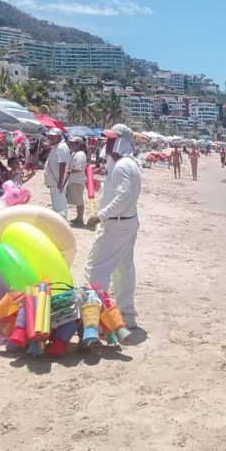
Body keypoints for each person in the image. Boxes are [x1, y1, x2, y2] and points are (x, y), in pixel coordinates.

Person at [85, 124, 142, 330]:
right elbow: (118, 192)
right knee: (123, 269)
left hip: (117, 226)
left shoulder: (123, 165)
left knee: (96, 269)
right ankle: (126, 313)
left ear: (121, 142)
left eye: (111, 140)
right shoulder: (124, 164)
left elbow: (123, 197)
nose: (107, 143)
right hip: (125, 224)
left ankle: (97, 319)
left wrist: (100, 215)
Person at [43, 128, 70, 219]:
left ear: (59, 136)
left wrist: (60, 181)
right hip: (55, 180)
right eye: (50, 136)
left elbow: (62, 164)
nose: (50, 137)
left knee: (59, 204)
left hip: (58, 180)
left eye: (53, 136)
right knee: (56, 202)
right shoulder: (56, 146)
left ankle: (61, 221)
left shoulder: (61, 146)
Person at [65, 136, 87, 227]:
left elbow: (78, 168)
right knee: (76, 200)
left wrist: (68, 171)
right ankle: (78, 218)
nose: (71, 144)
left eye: (74, 143)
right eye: (71, 143)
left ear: (78, 144)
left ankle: (80, 218)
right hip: (73, 180)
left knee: (79, 201)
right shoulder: (75, 153)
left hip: (77, 181)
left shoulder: (80, 154)